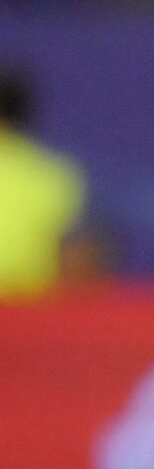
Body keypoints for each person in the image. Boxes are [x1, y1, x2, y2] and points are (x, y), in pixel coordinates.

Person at [0, 65, 86, 299]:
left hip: (28, 312)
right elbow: (75, 258)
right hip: (33, 316)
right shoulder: (52, 173)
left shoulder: (52, 174)